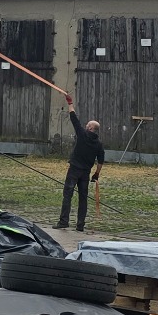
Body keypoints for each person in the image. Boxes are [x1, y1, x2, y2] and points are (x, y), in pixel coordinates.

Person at [58, 98, 105, 230]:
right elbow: (101, 161)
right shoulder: (99, 144)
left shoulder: (83, 134)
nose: (85, 126)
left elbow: (74, 118)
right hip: (85, 173)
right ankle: (80, 225)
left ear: (90, 128)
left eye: (87, 125)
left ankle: (63, 222)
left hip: (74, 170)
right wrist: (96, 174)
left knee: (67, 194)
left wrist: (70, 103)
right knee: (83, 198)